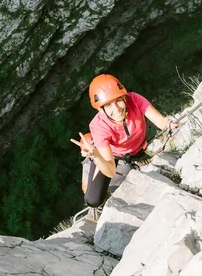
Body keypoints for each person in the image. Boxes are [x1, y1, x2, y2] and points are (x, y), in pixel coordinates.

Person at [71, 74, 178, 212]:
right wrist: (96, 155)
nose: (116, 109)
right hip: (112, 155)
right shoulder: (99, 126)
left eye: (118, 100)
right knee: (93, 199)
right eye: (108, 105)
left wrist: (169, 123)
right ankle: (91, 158)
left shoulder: (134, 99)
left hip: (136, 152)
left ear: (124, 96)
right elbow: (110, 171)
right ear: (100, 110)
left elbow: (162, 122)